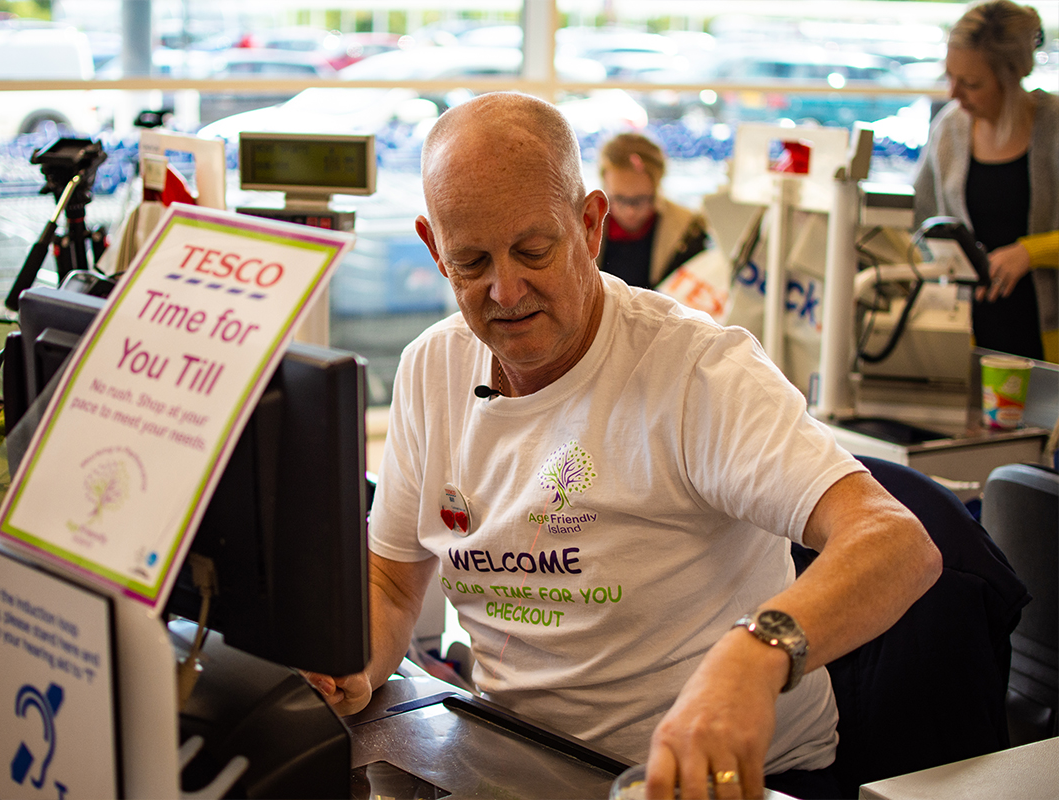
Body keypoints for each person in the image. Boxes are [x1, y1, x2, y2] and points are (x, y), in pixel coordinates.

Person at [306, 92, 941, 800]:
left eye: (533, 250)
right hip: (513, 759)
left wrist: (757, 653)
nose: (505, 290)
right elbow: (392, 584)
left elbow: (896, 542)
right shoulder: (432, 368)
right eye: (471, 262)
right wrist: (349, 662)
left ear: (590, 224)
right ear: (433, 248)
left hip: (721, 781)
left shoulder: (696, 370)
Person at [914, 0, 1059, 362]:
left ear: (1011, 77)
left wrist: (1031, 252)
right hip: (968, 335)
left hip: (1045, 336)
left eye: (971, 83)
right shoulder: (949, 130)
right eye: (949, 76)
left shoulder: (1054, 128)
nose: (953, 93)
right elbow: (918, 221)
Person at [596, 131, 708, 290]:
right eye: (619, 199)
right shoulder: (581, 226)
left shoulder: (689, 230)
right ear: (604, 187)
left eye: (641, 199)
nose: (630, 211)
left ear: (657, 189)